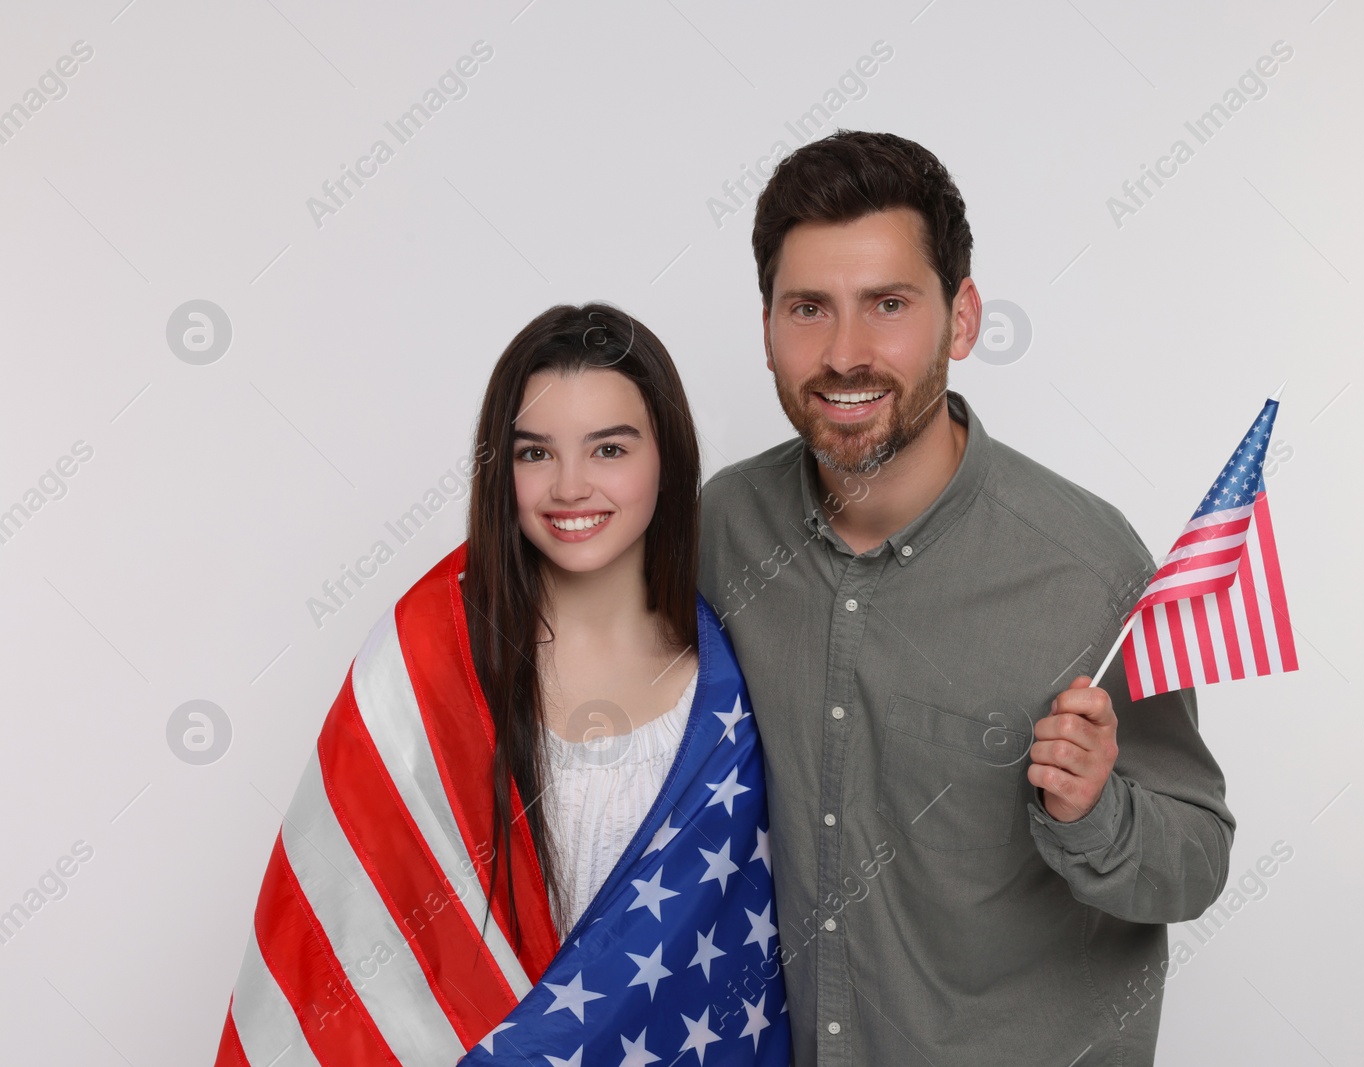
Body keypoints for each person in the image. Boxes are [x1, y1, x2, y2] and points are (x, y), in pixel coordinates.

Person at [697, 131, 1236, 1066]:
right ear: (768, 326)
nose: (845, 352)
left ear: (962, 318)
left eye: (889, 305)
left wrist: (1095, 809)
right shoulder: (723, 527)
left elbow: (1197, 859)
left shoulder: (1084, 568)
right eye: (809, 308)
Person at [215, 304, 789, 1066]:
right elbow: (343, 940)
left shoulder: (737, 690)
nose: (571, 486)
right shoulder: (424, 660)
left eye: (609, 448)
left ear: (668, 458)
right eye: (535, 453)